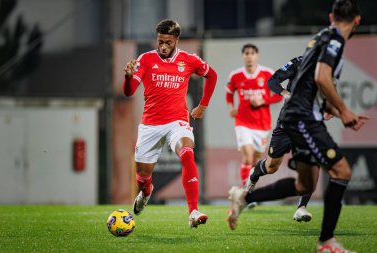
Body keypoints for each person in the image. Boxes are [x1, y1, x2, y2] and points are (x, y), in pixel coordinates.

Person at [228, 1, 367, 252]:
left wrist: (334, 110)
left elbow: (312, 87)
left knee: (305, 184)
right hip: (301, 118)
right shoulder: (334, 41)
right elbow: (321, 78)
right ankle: (326, 241)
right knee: (341, 171)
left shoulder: (320, 37)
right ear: (357, 20)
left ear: (330, 16)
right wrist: (344, 110)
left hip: (303, 116)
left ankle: (245, 197)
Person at [123, 19, 217, 228]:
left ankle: (193, 211)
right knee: (142, 177)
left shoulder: (189, 60)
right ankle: (146, 191)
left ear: (176, 40)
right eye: (160, 42)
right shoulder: (145, 59)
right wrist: (128, 78)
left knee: (187, 152)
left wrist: (202, 105)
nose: (163, 46)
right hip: (150, 125)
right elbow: (129, 92)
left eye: (168, 42)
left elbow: (212, 75)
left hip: (177, 121)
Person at [243, 56, 318, 222]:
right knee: (271, 167)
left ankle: (301, 208)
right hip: (287, 124)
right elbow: (273, 80)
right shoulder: (299, 62)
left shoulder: (329, 69)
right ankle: (253, 175)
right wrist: (284, 92)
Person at [225, 44, 282, 186]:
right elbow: (229, 93)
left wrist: (263, 100)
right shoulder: (236, 75)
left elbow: (279, 96)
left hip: (262, 124)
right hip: (243, 122)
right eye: (246, 53)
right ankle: (245, 194)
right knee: (247, 157)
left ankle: (250, 188)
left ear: (257, 55)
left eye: (252, 53)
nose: (249, 56)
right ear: (243, 56)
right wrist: (231, 107)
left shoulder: (267, 74)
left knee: (255, 160)